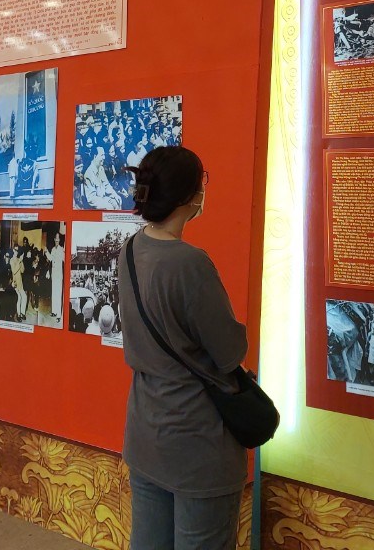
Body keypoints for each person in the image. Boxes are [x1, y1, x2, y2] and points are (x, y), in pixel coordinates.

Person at [117, 145, 247, 550]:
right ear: (190, 197)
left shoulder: (130, 250)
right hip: (196, 442)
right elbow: (229, 352)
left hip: (145, 430)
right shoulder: (189, 263)